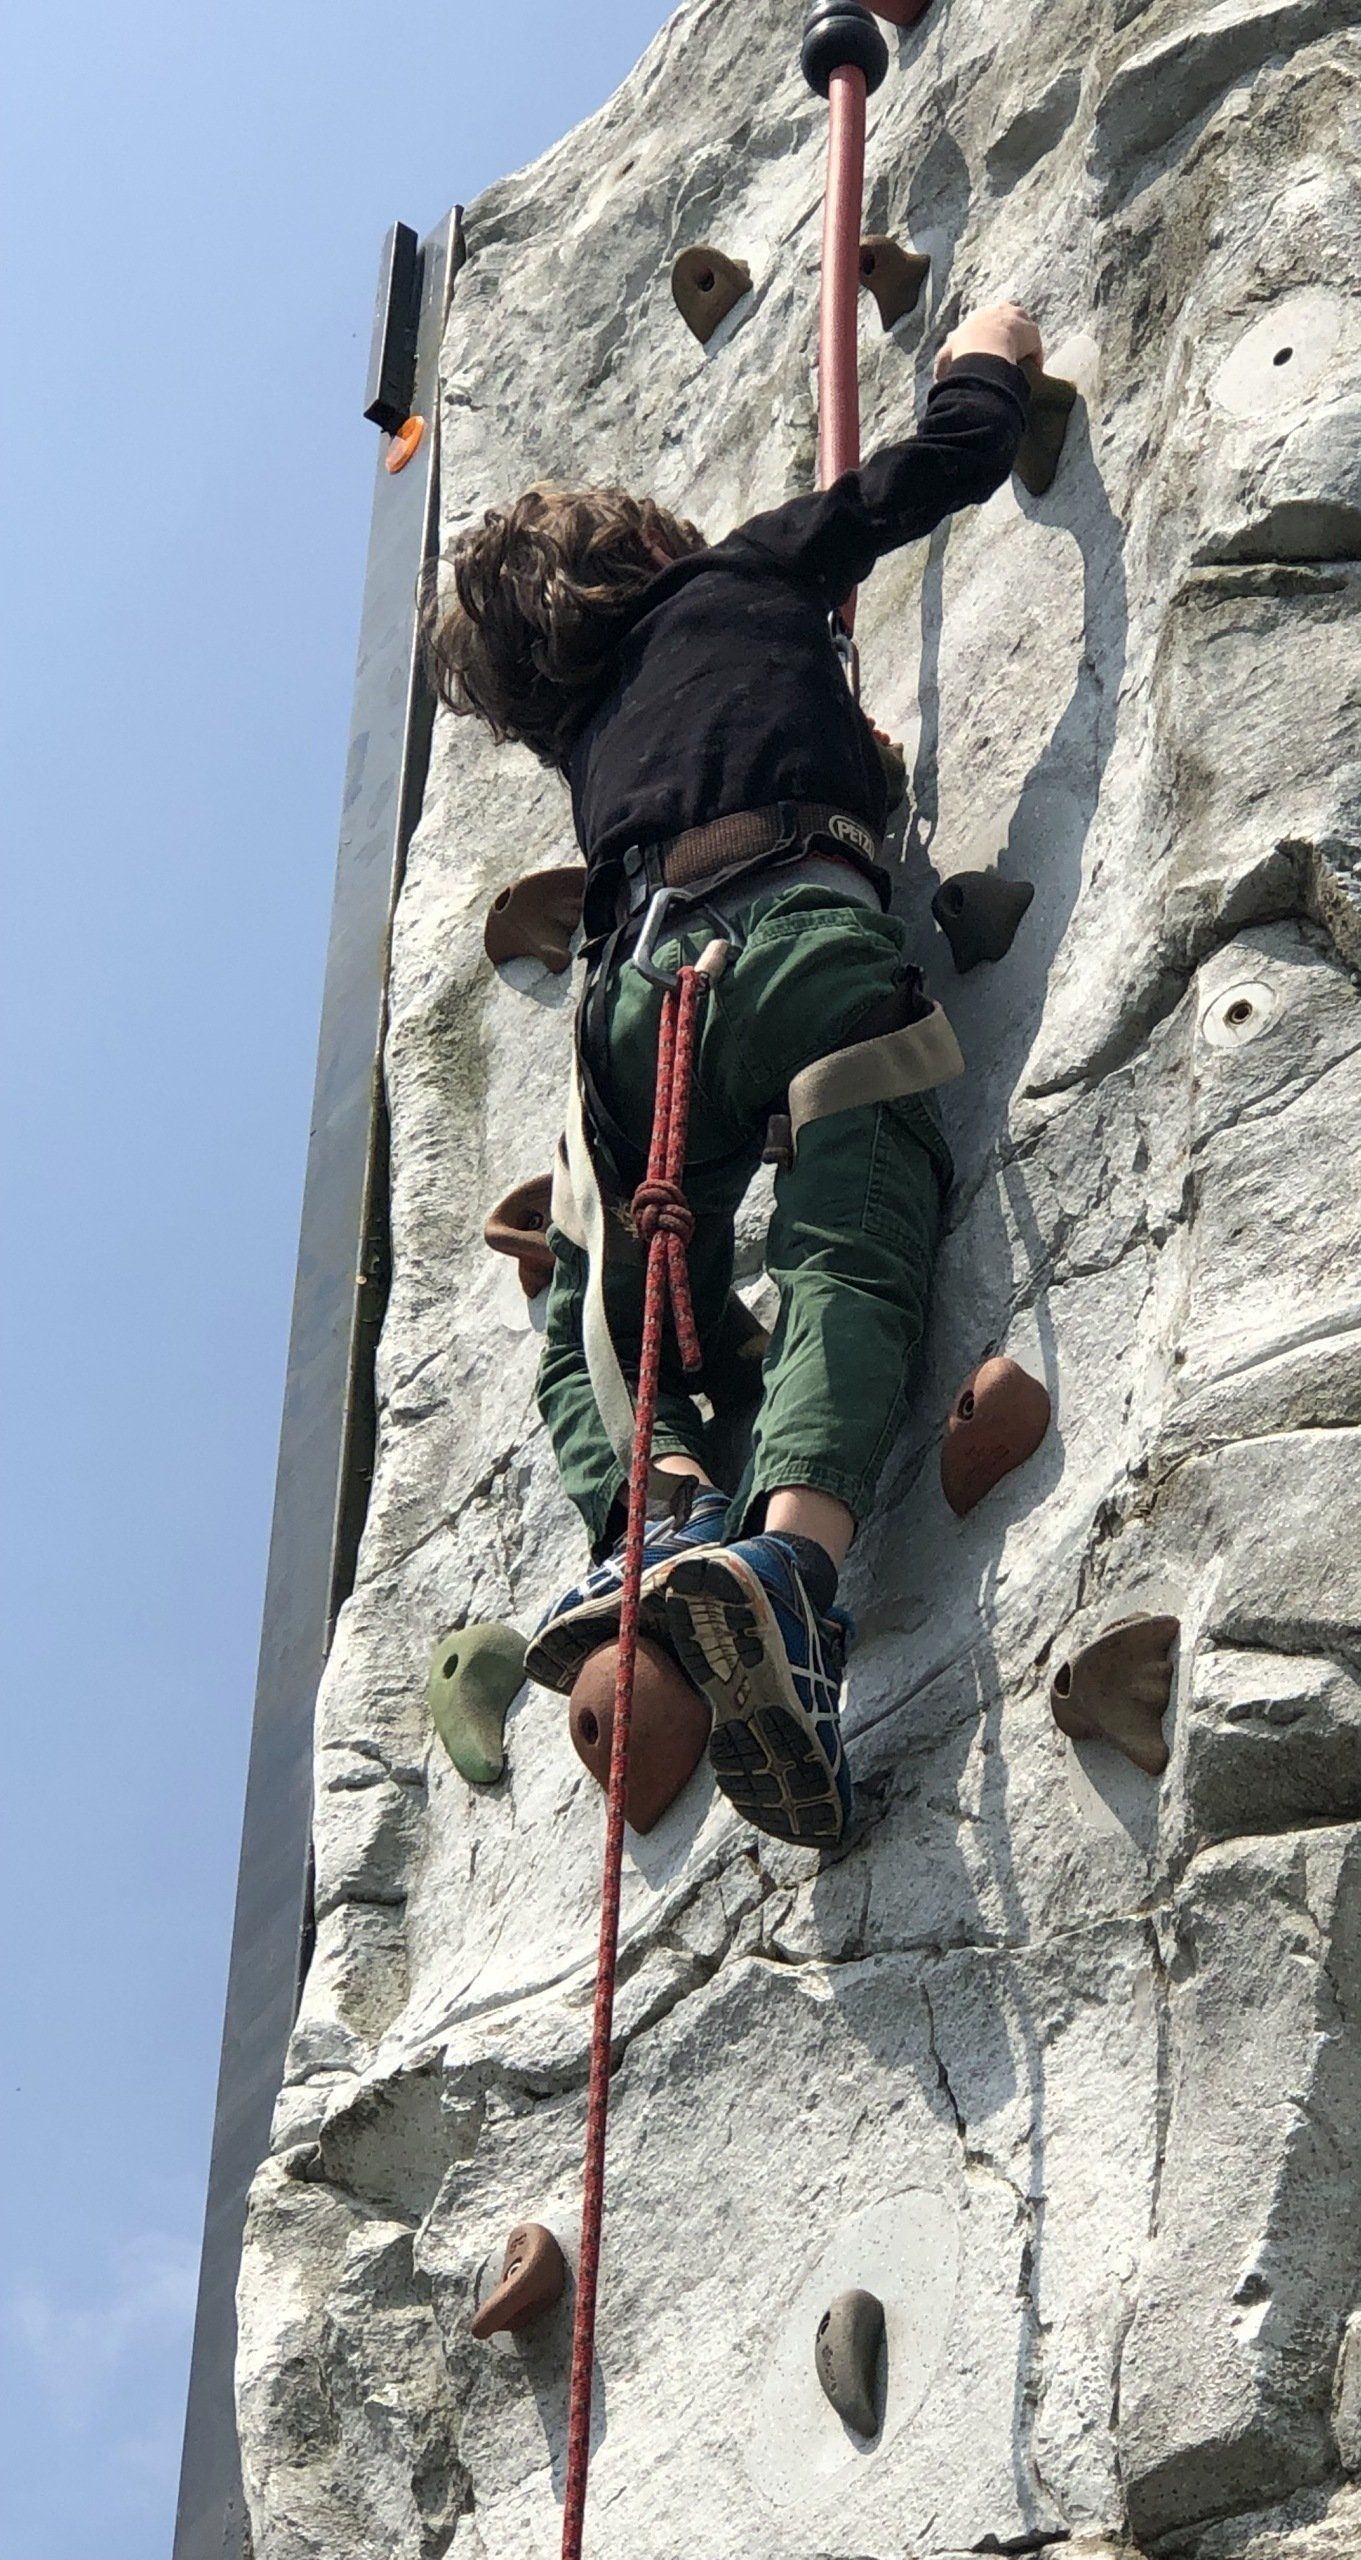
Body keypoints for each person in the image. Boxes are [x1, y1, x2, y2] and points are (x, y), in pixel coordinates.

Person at [426, 301, 1044, 1850]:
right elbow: (947, 461)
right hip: (798, 935)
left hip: (632, 1001)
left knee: (608, 1317)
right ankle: (792, 1565)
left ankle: (664, 1509)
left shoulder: (584, 746)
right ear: (645, 546)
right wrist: (989, 348)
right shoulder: (746, 573)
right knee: (850, 1231)